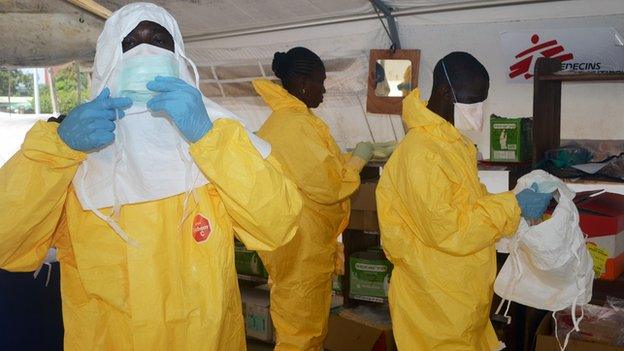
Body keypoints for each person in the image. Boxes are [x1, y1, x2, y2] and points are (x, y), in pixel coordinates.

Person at [0, 3, 303, 350]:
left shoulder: (217, 138)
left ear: (179, 56)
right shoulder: (74, 152)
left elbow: (278, 223)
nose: (145, 50)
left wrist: (208, 138)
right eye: (129, 43)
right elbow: (7, 243)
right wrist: (58, 149)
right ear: (107, 59)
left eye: (159, 40)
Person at [375, 51, 552, 350]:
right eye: (474, 100)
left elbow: (470, 202)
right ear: (446, 92)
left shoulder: (452, 144)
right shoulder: (423, 154)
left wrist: (512, 201)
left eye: (483, 99)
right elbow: (449, 229)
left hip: (459, 292)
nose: (480, 109)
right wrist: (513, 206)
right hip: (434, 300)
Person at [252, 47, 374, 350]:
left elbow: (321, 165)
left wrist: (349, 157)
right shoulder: (293, 126)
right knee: (300, 336)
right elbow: (329, 185)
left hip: (306, 245)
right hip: (300, 248)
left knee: (308, 331)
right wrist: (358, 161)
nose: (324, 89)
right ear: (302, 82)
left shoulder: (295, 121)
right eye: (321, 82)